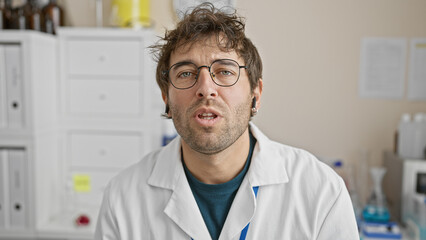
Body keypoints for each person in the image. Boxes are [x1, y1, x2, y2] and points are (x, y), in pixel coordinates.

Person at [95, 3, 359, 240]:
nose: (205, 88)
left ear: (256, 93)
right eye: (186, 73)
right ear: (166, 97)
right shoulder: (123, 198)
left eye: (224, 71)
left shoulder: (321, 192)